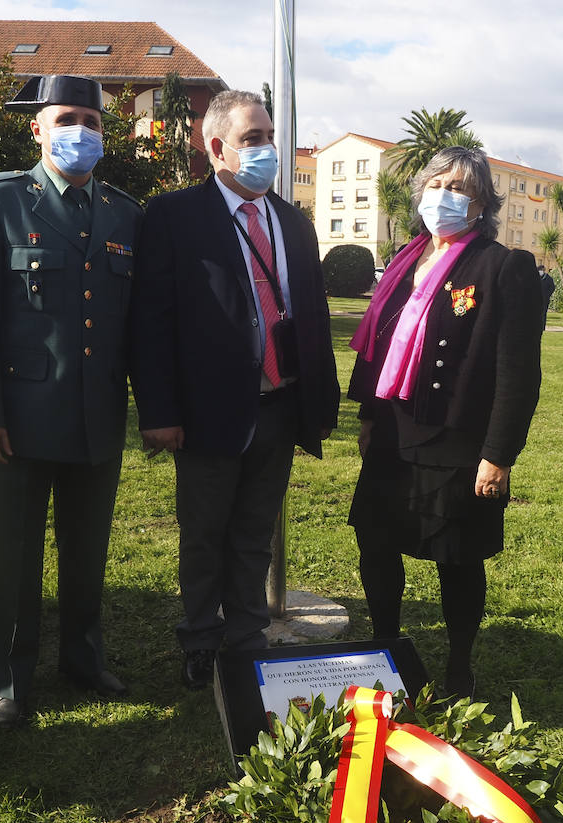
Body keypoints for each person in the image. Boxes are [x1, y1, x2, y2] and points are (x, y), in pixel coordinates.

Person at [130, 89, 340, 690]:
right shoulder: (173, 217)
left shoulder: (293, 222)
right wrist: (160, 411)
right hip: (205, 413)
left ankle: (246, 637)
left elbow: (315, 317)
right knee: (204, 535)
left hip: (278, 405)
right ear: (216, 147)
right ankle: (200, 638)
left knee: (252, 534)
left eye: (268, 137)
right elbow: (152, 322)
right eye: (253, 140)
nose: (266, 150)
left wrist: (315, 404)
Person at [0, 75, 141, 727]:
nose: (79, 131)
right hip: (23, 419)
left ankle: (84, 660)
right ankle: (10, 680)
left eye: (91, 120)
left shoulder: (123, 212)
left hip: (97, 415)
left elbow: (133, 321)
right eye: (66, 118)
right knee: (17, 555)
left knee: (87, 552)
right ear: (37, 128)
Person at [347, 147, 542, 697]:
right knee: (376, 542)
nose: (445, 196)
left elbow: (518, 372)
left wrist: (499, 453)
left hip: (459, 439)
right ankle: (387, 649)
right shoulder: (405, 260)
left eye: (460, 187)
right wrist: (367, 414)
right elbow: (379, 346)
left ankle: (460, 666)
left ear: (482, 204)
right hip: (393, 430)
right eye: (437, 183)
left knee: (457, 557)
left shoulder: (503, 266)